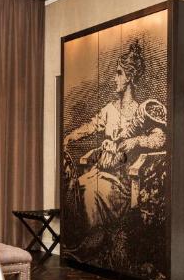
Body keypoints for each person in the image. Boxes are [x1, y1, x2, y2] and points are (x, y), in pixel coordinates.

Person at [63, 39, 165, 232]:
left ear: (129, 77)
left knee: (90, 192)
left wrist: (136, 141)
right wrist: (69, 137)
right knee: (78, 186)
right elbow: (91, 126)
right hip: (100, 171)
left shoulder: (140, 113)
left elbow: (159, 138)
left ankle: (95, 236)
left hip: (123, 181)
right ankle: (86, 237)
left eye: (119, 73)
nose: (114, 79)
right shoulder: (109, 109)